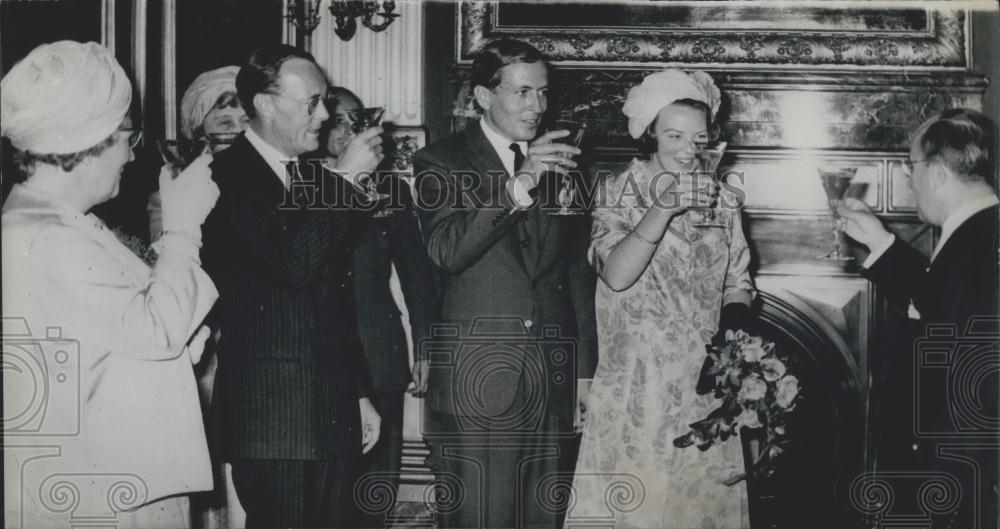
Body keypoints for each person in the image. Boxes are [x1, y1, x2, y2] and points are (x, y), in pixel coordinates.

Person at [2, 40, 219, 529]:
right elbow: (155, 330)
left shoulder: (67, 225)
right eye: (127, 135)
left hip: (120, 478)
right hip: (98, 493)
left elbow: (127, 336)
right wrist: (183, 226)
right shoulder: (43, 237)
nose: (129, 153)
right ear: (89, 139)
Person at [413, 38, 598, 529]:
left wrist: (584, 371)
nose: (537, 106)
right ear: (482, 96)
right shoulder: (440, 161)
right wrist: (520, 184)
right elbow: (446, 250)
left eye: (542, 92)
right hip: (479, 381)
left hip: (551, 377)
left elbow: (575, 272)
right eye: (521, 92)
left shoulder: (564, 163)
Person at [202, 43, 384, 528]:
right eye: (311, 103)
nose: (324, 115)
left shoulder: (305, 175)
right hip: (275, 419)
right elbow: (290, 267)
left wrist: (357, 392)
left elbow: (332, 299)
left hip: (328, 409)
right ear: (264, 104)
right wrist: (345, 180)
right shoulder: (225, 175)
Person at [569, 69, 754, 528]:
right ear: (650, 133)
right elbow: (616, 275)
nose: (688, 148)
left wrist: (731, 337)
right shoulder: (619, 192)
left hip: (705, 383)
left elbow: (739, 280)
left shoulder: (724, 201)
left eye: (699, 137)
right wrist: (664, 208)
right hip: (639, 387)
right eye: (673, 134)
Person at [836, 108, 999, 528]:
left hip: (956, 476)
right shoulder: (977, 233)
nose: (909, 178)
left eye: (912, 166)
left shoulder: (981, 243)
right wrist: (879, 240)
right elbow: (942, 300)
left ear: (939, 174)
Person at [315, 86, 437, 526]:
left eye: (355, 119)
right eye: (337, 119)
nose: (350, 128)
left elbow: (417, 276)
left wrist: (425, 346)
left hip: (379, 354)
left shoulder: (389, 189)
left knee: (376, 491)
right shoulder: (295, 185)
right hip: (318, 362)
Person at [149, 65, 248, 241]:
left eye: (247, 122)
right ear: (198, 132)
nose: (240, 132)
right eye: (225, 123)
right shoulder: (172, 197)